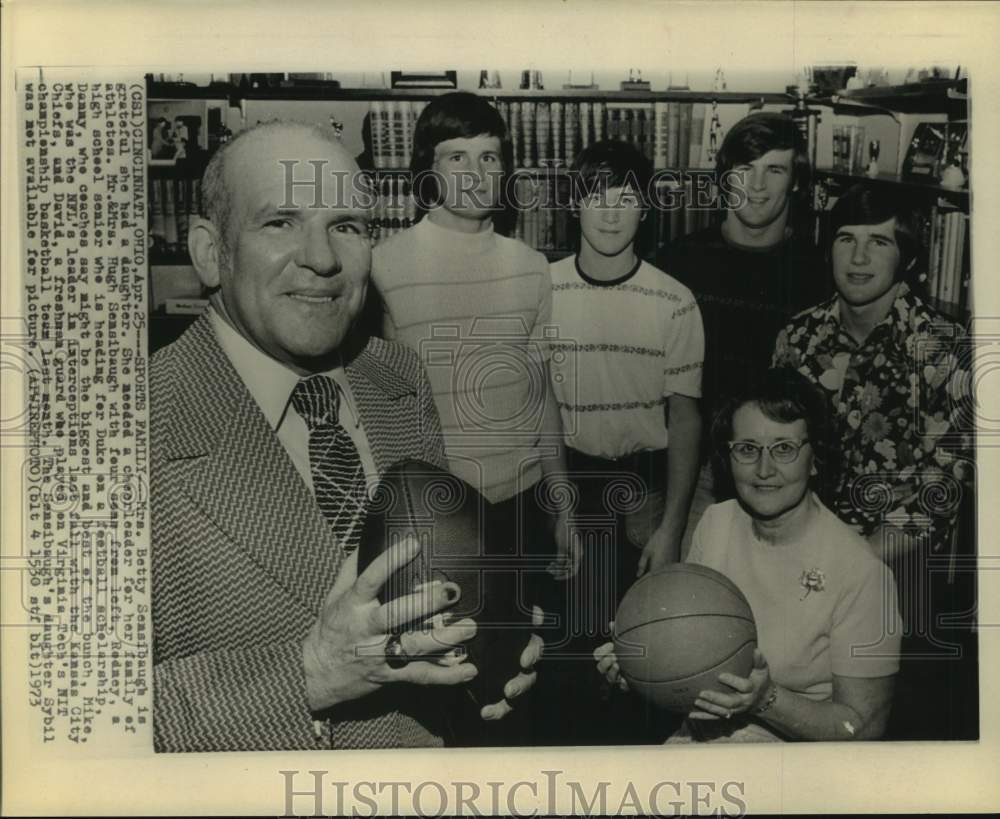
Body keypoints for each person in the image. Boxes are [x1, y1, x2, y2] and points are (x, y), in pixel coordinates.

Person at [151, 120, 540, 752]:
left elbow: (430, 581)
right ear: (207, 251)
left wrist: (488, 639)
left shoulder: (399, 376)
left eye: (347, 226)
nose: (323, 258)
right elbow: (69, 721)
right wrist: (308, 677)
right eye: (280, 222)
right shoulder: (119, 433)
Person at [596, 368, 902, 742]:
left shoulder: (863, 573)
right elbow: (692, 666)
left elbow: (864, 728)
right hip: (705, 736)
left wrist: (767, 699)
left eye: (784, 448)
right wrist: (643, 664)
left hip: (801, 758)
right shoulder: (716, 523)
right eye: (747, 449)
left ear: (816, 457)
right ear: (728, 456)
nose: (763, 469)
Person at [772, 183, 975, 739]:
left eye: (879, 243)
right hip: (801, 561)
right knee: (791, 717)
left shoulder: (947, 347)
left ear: (908, 257)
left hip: (898, 573)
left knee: (878, 735)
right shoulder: (798, 338)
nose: (858, 258)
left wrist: (854, 560)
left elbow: (945, 487)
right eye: (846, 239)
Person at [372, 91, 569, 605]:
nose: (476, 173)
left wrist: (564, 507)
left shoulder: (532, 266)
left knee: (529, 662)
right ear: (428, 168)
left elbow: (542, 393)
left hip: (523, 506)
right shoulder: (382, 267)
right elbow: (375, 407)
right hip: (431, 513)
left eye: (489, 157)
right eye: (456, 156)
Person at [662, 112, 829, 554]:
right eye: (744, 169)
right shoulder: (677, 263)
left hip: (784, 478)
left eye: (774, 170)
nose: (756, 187)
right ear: (723, 177)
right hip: (693, 478)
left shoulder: (819, 274)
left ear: (795, 181)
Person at [550, 139, 704, 589]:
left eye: (627, 199)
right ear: (575, 206)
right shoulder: (543, 290)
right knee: (570, 639)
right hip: (570, 488)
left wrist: (671, 529)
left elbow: (685, 419)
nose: (611, 214)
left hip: (649, 494)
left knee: (648, 641)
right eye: (596, 197)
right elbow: (536, 413)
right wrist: (560, 511)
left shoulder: (674, 301)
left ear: (646, 210)